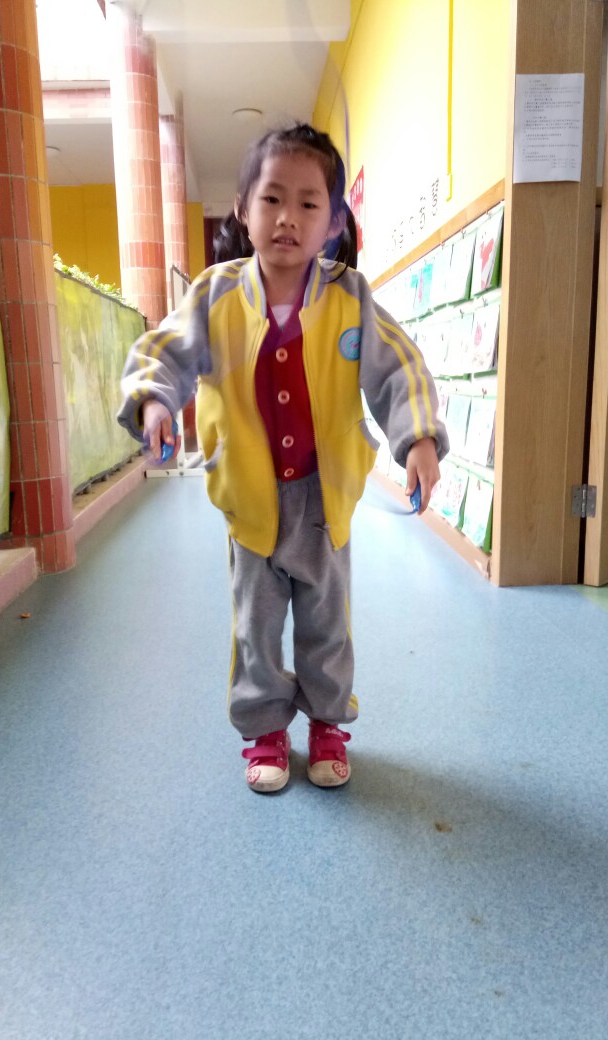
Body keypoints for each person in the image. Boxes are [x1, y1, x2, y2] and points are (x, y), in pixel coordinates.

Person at [117, 123, 448, 793]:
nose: (287, 218)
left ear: (333, 223)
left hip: (324, 501)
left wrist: (416, 437)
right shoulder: (214, 294)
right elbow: (164, 352)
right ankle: (266, 729)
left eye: (307, 203)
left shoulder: (350, 297)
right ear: (243, 209)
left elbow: (398, 368)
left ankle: (328, 723)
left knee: (328, 622)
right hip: (250, 500)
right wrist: (155, 401)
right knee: (256, 625)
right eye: (271, 199)